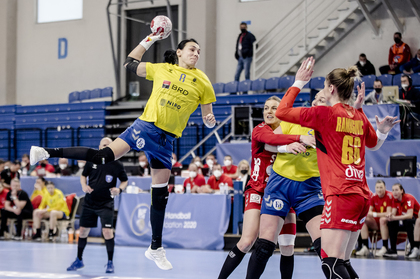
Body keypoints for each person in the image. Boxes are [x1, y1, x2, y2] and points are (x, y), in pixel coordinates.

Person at [30, 35, 217, 270]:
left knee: (160, 195)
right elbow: (129, 63)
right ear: (179, 52)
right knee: (102, 157)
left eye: (199, 51)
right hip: (146, 127)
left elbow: (207, 117)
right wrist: (152, 38)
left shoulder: (203, 81)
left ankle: (155, 248)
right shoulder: (161, 70)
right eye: (192, 49)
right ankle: (46, 152)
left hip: (166, 141)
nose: (196, 53)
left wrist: (209, 121)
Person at [273, 57, 399, 279]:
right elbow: (373, 144)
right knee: (342, 261)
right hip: (360, 196)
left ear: (331, 88)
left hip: (341, 195)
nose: (321, 92)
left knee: (330, 263)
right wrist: (381, 131)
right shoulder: (358, 115)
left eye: (323, 88)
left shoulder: (324, 114)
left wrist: (298, 82)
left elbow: (281, 112)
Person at [218, 96, 314, 279]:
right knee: (247, 241)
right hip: (258, 190)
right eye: (266, 108)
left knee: (287, 245)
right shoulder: (260, 129)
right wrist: (298, 139)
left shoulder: (289, 128)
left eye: (274, 108)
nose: (268, 111)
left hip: (284, 191)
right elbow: (271, 140)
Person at [66, 137, 128, 273]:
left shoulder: (117, 164)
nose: (106, 147)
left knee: (107, 232)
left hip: (106, 203)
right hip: (89, 202)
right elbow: (83, 176)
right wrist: (84, 185)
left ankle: (110, 262)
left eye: (109, 145)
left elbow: (124, 181)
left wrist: (119, 189)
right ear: (100, 147)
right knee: (82, 231)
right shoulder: (92, 160)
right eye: (104, 145)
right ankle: (79, 260)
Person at [355, 180, 393, 256]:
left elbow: (387, 213)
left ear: (385, 187)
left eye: (381, 187)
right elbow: (369, 212)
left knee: (382, 220)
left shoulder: (389, 196)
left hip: (387, 223)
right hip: (375, 223)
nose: (379, 189)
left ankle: (385, 247)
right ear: (375, 188)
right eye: (377, 187)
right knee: (363, 219)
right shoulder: (373, 196)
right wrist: (375, 214)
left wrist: (375, 214)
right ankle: (365, 247)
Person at [383, 183, 420, 258]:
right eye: (393, 190)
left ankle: (413, 248)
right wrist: (390, 215)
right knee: (391, 222)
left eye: (396, 190)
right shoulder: (394, 199)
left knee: (408, 221)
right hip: (404, 221)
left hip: (415, 220)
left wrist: (395, 218)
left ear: (402, 191)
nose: (394, 192)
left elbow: (409, 215)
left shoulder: (409, 198)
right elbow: (393, 212)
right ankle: (393, 250)